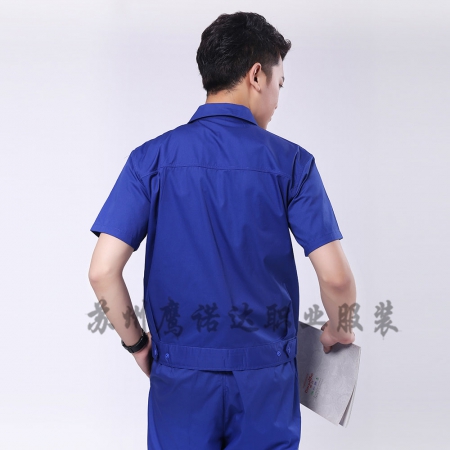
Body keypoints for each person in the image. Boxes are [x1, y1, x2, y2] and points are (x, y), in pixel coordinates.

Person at [88, 11, 356, 450]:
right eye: (279, 83)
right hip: (266, 380)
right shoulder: (292, 164)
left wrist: (137, 344)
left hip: (180, 376)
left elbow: (102, 271)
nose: (277, 99)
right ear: (256, 75)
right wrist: (340, 328)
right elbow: (337, 279)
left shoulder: (150, 160)